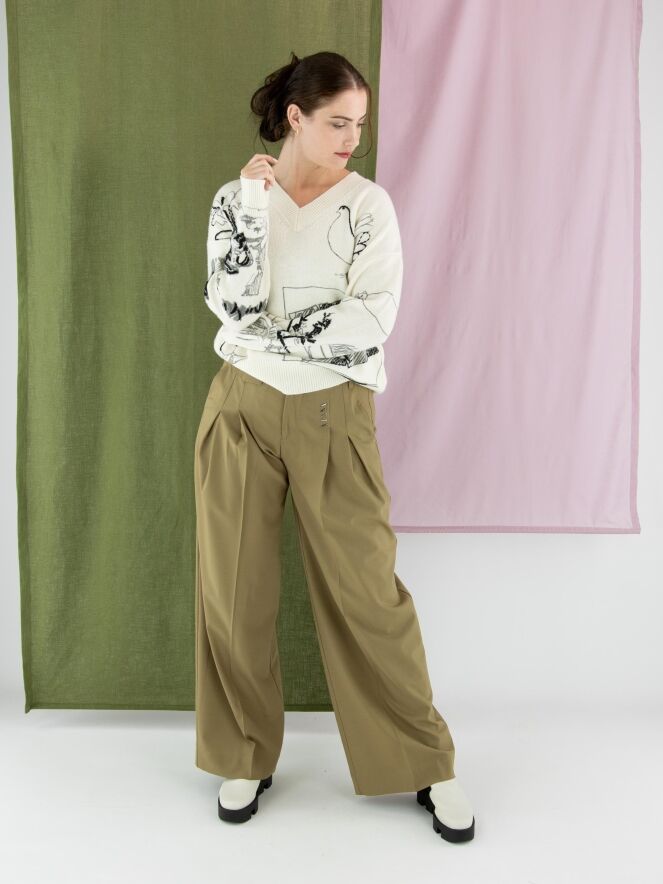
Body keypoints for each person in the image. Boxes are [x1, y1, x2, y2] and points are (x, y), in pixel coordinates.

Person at [194, 50, 475, 842]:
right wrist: (253, 209)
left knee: (367, 592)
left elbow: (369, 320)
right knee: (234, 592)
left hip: (334, 413)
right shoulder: (235, 200)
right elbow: (230, 303)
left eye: (359, 124)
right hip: (241, 408)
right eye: (337, 122)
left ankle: (424, 762)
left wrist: (266, 336)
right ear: (295, 118)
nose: (353, 138)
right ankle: (245, 753)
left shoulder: (368, 207)